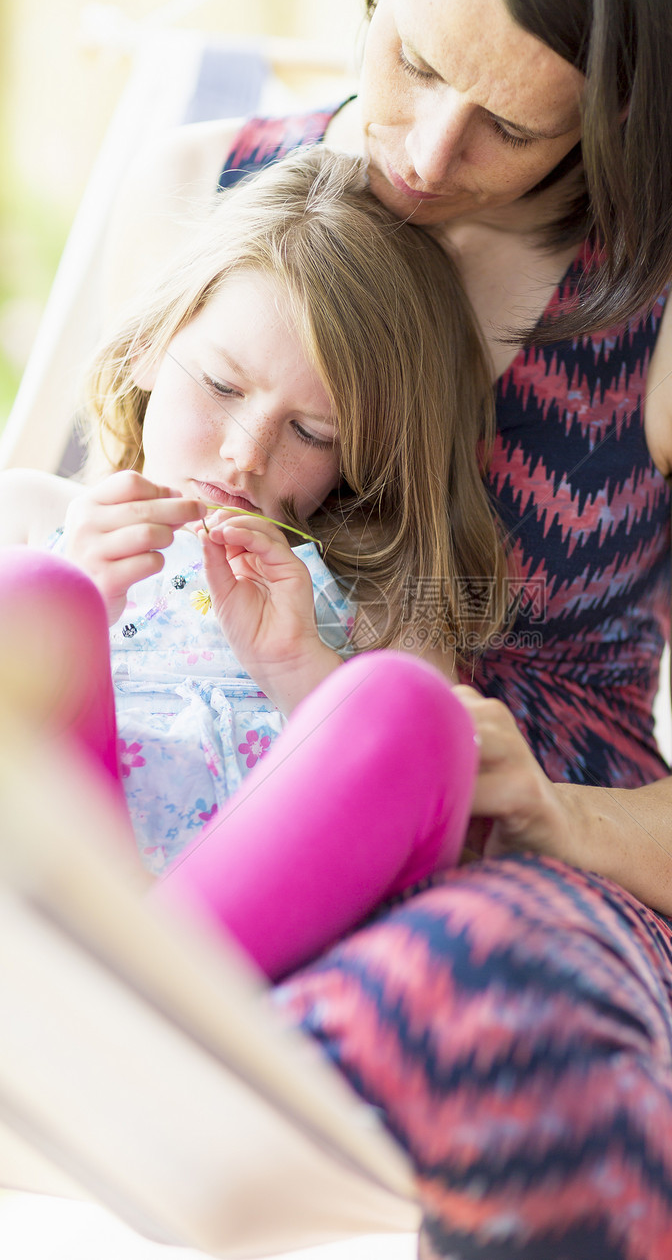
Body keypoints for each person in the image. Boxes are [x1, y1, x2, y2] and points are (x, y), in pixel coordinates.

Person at [64, 0, 672, 1257]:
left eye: (513, 126)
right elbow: (106, 618)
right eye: (414, 60)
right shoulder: (209, 196)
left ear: (615, 115)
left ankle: (178, 1023)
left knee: (471, 994)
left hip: (547, 889)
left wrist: (546, 813)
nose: (423, 154)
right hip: (204, 837)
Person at [0, 144, 510, 981]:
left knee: (412, 708)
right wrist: (78, 610)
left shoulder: (373, 607)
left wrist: (299, 668)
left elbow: (426, 818)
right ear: (151, 347)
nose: (244, 456)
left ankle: (151, 989)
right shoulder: (32, 519)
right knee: (29, 594)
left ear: (358, 465)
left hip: (236, 980)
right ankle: (129, 980)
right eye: (223, 388)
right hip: (44, 922)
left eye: (311, 435)